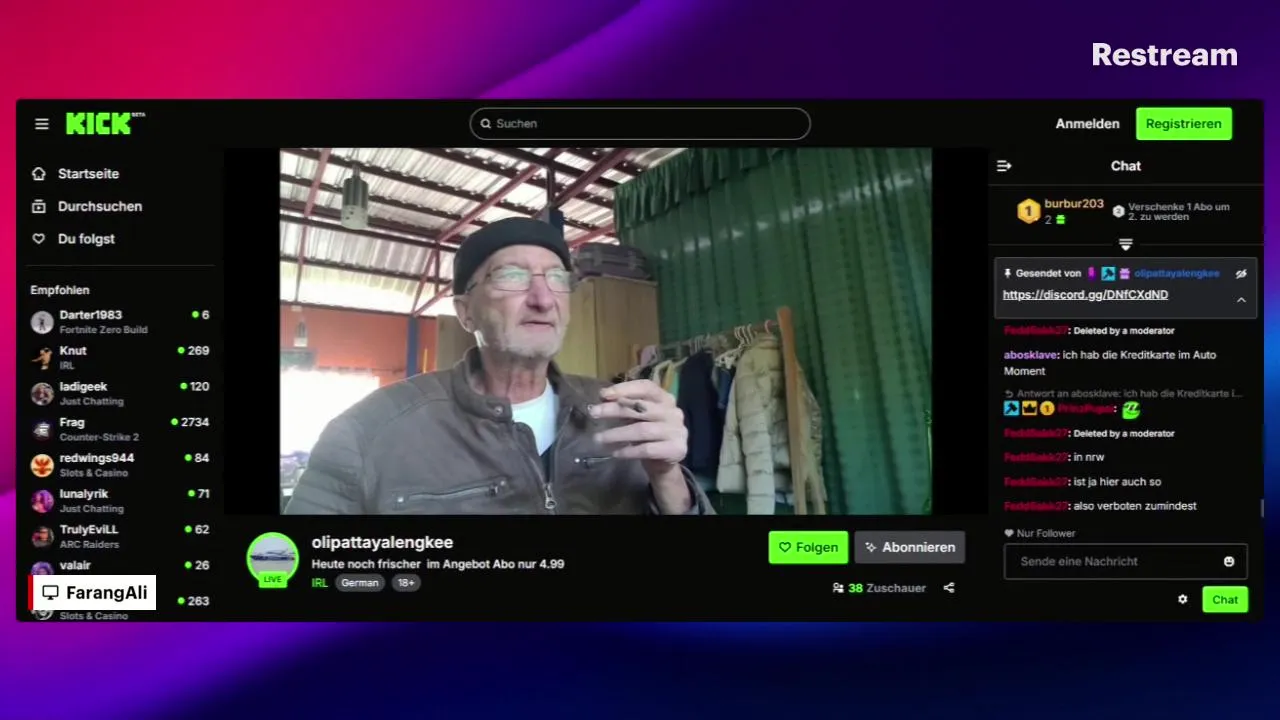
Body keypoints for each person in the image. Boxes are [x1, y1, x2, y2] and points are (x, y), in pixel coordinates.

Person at [286, 217, 711, 515]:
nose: (543, 299)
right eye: (512, 276)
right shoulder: (366, 433)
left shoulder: (620, 413)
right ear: (465, 312)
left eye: (557, 278)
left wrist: (667, 476)